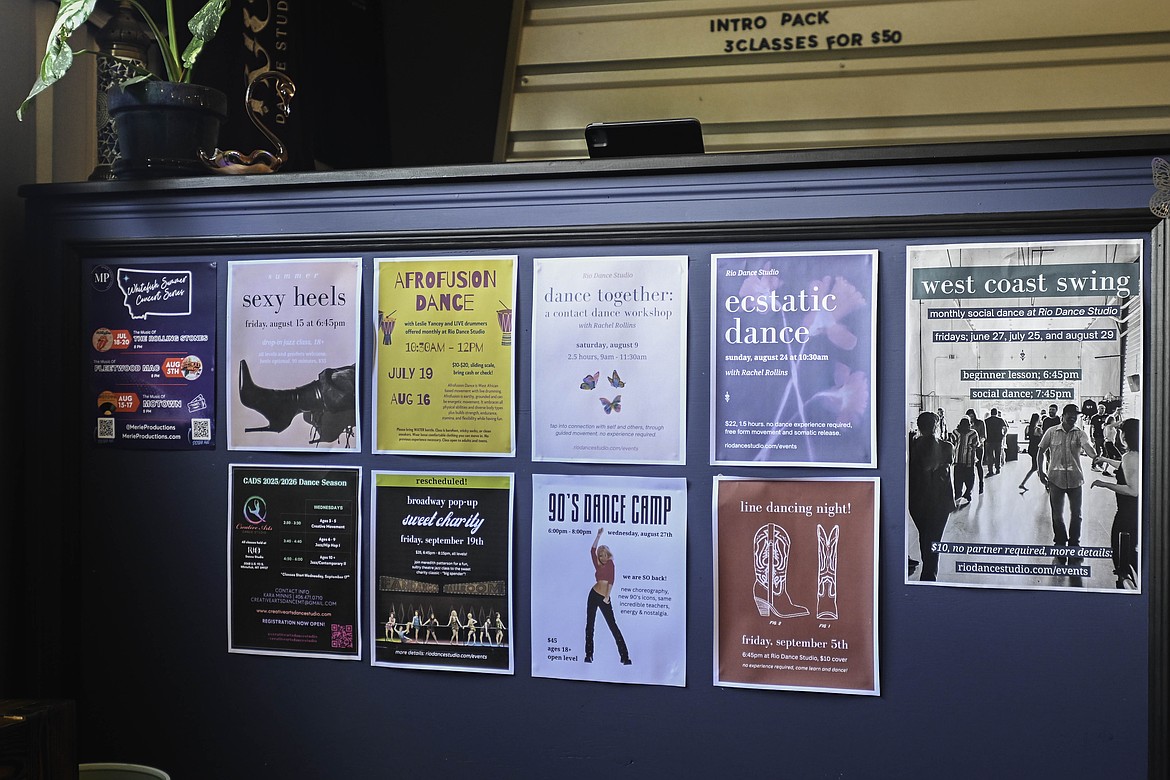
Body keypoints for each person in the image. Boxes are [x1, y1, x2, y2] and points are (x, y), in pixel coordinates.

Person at [1037, 403, 1098, 563]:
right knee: (1057, 515)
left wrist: (1095, 456)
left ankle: (1074, 545)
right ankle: (1060, 544)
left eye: (1075, 415)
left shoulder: (1080, 433)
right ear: (1063, 415)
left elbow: (1087, 447)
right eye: (1070, 414)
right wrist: (1040, 471)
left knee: (1077, 515)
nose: (1073, 418)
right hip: (1055, 479)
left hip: (1075, 479)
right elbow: (1041, 451)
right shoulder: (1051, 432)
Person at [908, 411, 956, 581]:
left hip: (917, 501)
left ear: (919, 427)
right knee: (934, 541)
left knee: (924, 536)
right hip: (940, 503)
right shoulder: (947, 447)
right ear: (937, 426)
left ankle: (927, 572)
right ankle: (929, 577)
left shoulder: (912, 447)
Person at [1092, 418, 1139, 589]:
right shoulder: (1137, 454)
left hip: (1126, 513)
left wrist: (1105, 484)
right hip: (1134, 512)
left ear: (1126, 436)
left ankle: (1128, 587)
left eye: (1121, 432)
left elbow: (1133, 490)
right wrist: (1105, 459)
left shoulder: (1130, 456)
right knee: (1130, 551)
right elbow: (1124, 467)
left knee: (1122, 554)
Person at [585, 527, 631, 665]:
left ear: (608, 555)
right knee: (590, 625)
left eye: (605, 554)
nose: (603, 557)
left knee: (613, 626)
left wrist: (607, 596)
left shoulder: (610, 564)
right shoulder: (598, 565)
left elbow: (611, 581)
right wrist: (598, 536)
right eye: (601, 555)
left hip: (604, 597)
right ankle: (588, 655)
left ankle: (625, 657)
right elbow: (592, 551)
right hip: (593, 594)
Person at [949, 416, 979, 504]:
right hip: (969, 460)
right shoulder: (973, 433)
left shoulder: (955, 432)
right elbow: (976, 444)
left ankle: (958, 494)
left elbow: (952, 443)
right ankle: (968, 493)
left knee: (958, 479)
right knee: (970, 478)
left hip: (958, 460)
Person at [1018, 412, 1043, 492]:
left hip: (1030, 448)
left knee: (1036, 467)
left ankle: (1023, 483)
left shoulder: (1028, 427)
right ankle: (1023, 483)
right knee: (1036, 467)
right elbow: (1042, 439)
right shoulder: (1038, 429)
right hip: (1037, 449)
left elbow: (1026, 437)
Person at [965, 409, 987, 493]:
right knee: (969, 467)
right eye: (969, 416)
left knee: (979, 465)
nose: (971, 418)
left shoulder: (980, 423)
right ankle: (970, 487)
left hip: (979, 447)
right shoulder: (966, 424)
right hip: (969, 448)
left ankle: (981, 483)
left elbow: (984, 435)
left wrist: (979, 442)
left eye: (972, 416)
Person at [984, 408, 1006, 475]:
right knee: (998, 455)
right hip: (998, 440)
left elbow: (984, 430)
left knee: (990, 456)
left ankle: (990, 470)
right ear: (996, 413)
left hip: (989, 440)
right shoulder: (1000, 420)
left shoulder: (986, 420)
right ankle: (997, 468)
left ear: (991, 413)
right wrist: (1003, 435)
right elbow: (1005, 428)